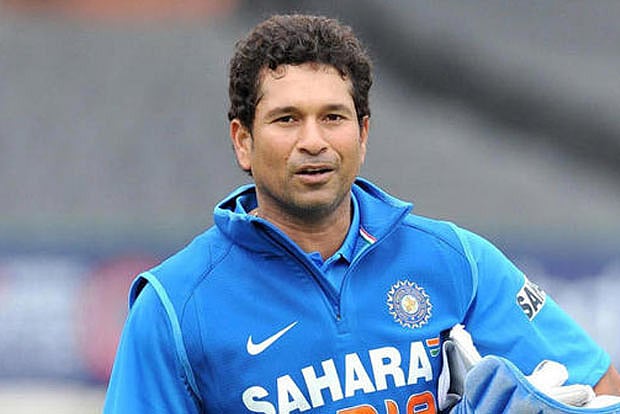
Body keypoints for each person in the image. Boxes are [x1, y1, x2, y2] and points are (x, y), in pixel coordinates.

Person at [103, 14, 620, 413]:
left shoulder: (458, 261)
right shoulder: (174, 307)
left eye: (333, 117)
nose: (313, 141)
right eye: (287, 119)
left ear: (363, 133)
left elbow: (601, 388)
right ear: (243, 140)